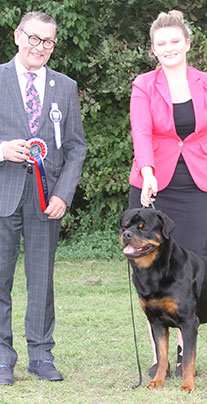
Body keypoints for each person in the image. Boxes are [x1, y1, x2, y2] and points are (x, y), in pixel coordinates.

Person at [128, 10, 207, 377]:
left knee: (189, 269)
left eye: (176, 41)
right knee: (149, 275)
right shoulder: (143, 84)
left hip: (196, 186)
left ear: (188, 43)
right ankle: (159, 357)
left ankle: (182, 355)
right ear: (153, 49)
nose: (169, 48)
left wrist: (198, 147)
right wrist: (147, 172)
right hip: (152, 183)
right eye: (162, 43)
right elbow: (142, 133)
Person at [0, 11, 86, 384]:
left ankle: (41, 355)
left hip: (46, 200)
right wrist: (2, 149)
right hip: (3, 195)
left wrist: (64, 195)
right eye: (34, 39)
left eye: (48, 41)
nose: (41, 47)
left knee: (41, 281)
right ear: (17, 36)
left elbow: (76, 148)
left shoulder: (65, 87)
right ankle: (2, 359)